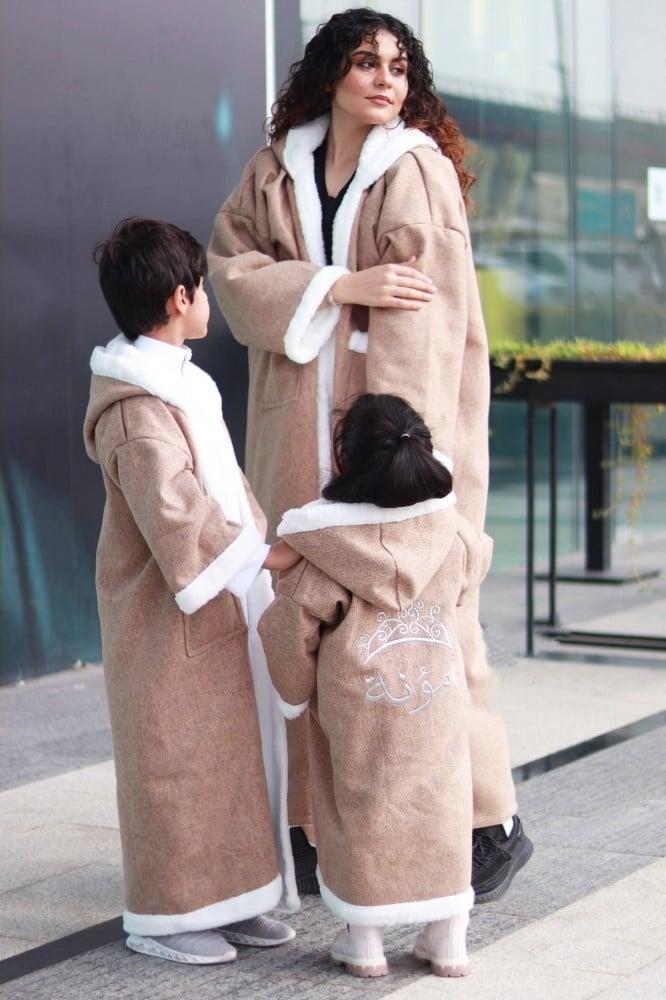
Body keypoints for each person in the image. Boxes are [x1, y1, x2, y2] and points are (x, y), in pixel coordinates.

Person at [208, 7, 531, 901]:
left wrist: (389, 460)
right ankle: (315, 827)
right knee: (305, 630)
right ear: (330, 76)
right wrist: (339, 285)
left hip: (392, 441)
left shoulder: (415, 170)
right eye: (364, 62)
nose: (385, 79)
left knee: (428, 627)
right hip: (291, 435)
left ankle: (485, 823)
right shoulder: (271, 173)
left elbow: (427, 319)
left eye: (398, 66)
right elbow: (230, 276)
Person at [83, 217, 300, 965]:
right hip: (160, 612)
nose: (207, 298)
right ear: (181, 297)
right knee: (172, 758)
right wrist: (261, 556)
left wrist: (256, 545)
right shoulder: (135, 406)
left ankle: (233, 900)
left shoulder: (183, 383)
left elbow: (225, 486)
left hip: (216, 601)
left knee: (227, 751)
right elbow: (174, 510)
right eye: (202, 286)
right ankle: (163, 916)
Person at [259, 393, 495, 978]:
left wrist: (293, 693)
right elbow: (476, 564)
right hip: (435, 695)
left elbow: (289, 631)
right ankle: (448, 938)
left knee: (358, 805)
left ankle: (364, 941)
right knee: (441, 797)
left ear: (347, 461)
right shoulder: (452, 536)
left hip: (358, 705)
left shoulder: (325, 553)